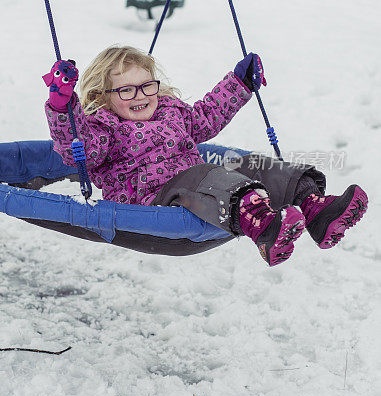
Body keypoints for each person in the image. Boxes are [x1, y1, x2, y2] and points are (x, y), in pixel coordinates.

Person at [43, 46, 368, 266]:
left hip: (201, 188)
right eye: (127, 90)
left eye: (147, 86)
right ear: (104, 96)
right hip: (153, 202)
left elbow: (207, 115)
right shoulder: (103, 128)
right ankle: (267, 232)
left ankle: (317, 210)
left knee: (255, 167)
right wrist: (62, 108)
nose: (140, 96)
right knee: (210, 176)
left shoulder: (171, 111)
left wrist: (240, 83)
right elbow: (77, 146)